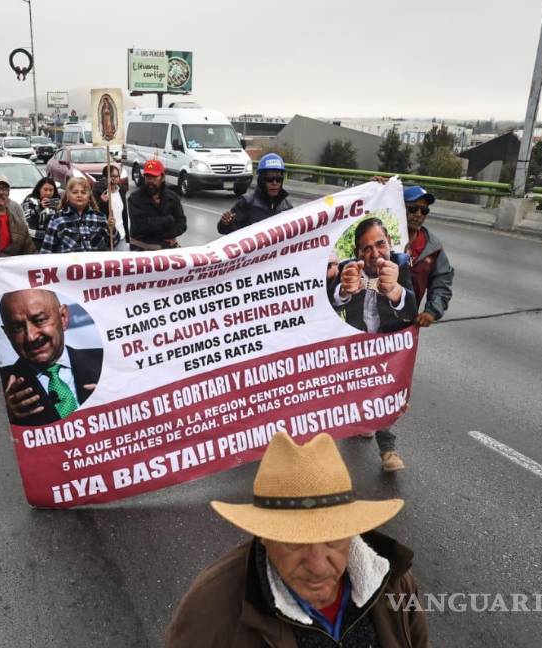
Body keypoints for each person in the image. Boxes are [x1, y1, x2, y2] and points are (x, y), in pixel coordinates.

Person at [165, 432, 429, 648]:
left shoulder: (395, 582)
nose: (318, 566)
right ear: (264, 537)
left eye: (334, 540)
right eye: (294, 542)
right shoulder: (212, 607)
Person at [329, 217, 417, 472]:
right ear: (358, 252)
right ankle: (362, 424)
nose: (375, 253)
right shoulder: (349, 268)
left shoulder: (401, 265)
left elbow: (410, 309)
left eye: (380, 244)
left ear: (389, 242)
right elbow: (331, 300)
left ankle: (388, 450)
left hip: (388, 350)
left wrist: (396, 291)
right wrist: (344, 291)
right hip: (356, 347)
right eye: (366, 248)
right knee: (355, 394)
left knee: (385, 396)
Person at [0, 288, 103, 426]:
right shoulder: (0, 390)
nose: (31, 336)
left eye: (39, 320)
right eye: (17, 328)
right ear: (7, 334)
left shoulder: (106, 362)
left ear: (63, 317)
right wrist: (5, 418)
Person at [402, 186, 454, 327]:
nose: (419, 214)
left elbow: (441, 282)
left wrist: (431, 311)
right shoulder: (378, 236)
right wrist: (374, 190)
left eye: (424, 211)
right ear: (399, 207)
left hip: (404, 327)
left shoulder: (432, 247)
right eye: (413, 209)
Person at [218, 153, 293, 235]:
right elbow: (224, 230)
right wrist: (225, 223)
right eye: (270, 179)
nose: (274, 183)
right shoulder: (246, 202)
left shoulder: (287, 206)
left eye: (278, 179)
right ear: (261, 180)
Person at [40, 177, 118, 253]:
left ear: (89, 196)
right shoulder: (57, 220)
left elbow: (114, 243)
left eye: (83, 192)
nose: (79, 195)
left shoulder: (100, 217)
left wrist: (112, 229)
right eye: (75, 192)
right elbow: (46, 252)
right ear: (68, 195)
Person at [127, 159, 186, 251]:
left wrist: (171, 234)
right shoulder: (135, 198)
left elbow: (181, 223)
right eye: (147, 177)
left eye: (154, 177)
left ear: (162, 177)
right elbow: (141, 225)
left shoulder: (172, 197)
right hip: (141, 250)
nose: (150, 181)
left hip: (167, 249)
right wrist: (168, 220)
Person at [93, 164, 130, 243]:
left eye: (117, 176)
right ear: (105, 178)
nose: (115, 179)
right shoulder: (98, 192)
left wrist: (127, 238)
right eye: (112, 176)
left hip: (121, 236)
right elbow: (94, 214)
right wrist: (102, 202)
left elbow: (124, 216)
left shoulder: (121, 191)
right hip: (106, 239)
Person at [22, 177, 61, 249]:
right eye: (45, 190)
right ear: (39, 189)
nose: (48, 193)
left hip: (53, 238)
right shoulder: (30, 200)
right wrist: (40, 207)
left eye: (51, 190)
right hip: (34, 240)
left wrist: (58, 208)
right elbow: (26, 217)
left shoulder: (57, 200)